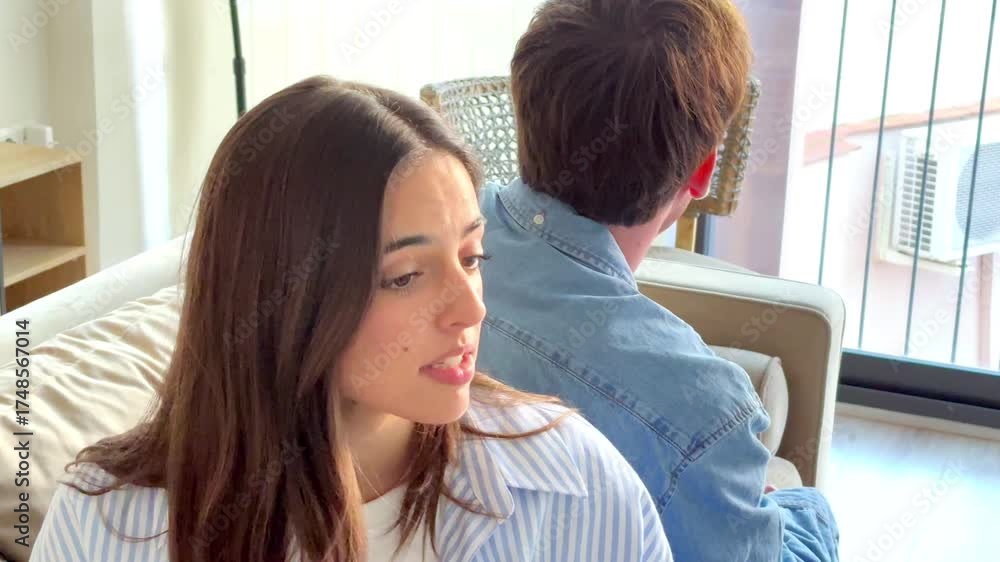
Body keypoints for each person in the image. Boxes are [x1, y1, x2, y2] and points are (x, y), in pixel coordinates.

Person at [30, 76, 670, 562]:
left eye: (471, 257)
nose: (471, 308)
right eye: (405, 276)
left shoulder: (575, 484)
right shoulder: (107, 526)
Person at [476, 1, 840, 561]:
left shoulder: (426, 246)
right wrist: (803, 511)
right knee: (808, 508)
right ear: (703, 170)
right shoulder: (705, 416)